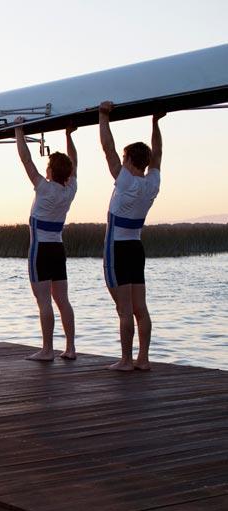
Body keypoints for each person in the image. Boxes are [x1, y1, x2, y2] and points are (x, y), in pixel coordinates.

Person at [99, 101, 165, 372]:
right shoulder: (152, 184)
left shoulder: (125, 181)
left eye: (124, 158)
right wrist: (155, 122)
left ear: (128, 161)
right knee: (140, 308)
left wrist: (103, 116)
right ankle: (143, 359)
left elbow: (107, 148)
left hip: (117, 250)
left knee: (124, 310)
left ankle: (126, 361)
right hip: (136, 249)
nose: (121, 161)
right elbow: (158, 153)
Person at [14, 117, 78, 361]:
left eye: (49, 166)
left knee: (44, 302)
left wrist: (19, 130)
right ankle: (70, 348)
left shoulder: (43, 186)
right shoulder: (71, 189)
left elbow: (26, 159)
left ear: (51, 171)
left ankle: (48, 349)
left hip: (40, 250)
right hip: (58, 250)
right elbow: (75, 164)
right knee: (63, 300)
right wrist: (69, 136)